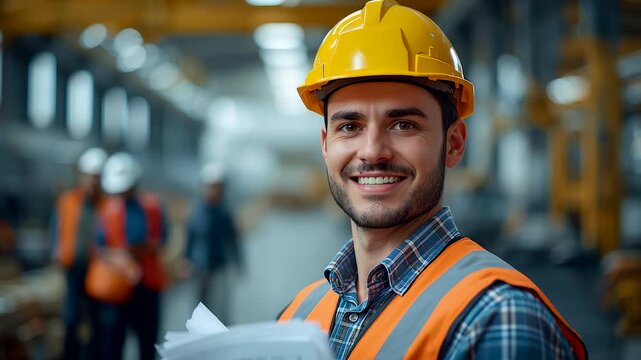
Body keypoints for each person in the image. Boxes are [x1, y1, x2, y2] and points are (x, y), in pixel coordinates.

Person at [277, 1, 587, 359]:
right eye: (350, 126)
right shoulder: (296, 317)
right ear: (326, 146)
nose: (372, 151)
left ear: (453, 144)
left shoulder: (495, 317)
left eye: (403, 125)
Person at [94, 152, 168, 360]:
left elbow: (162, 238)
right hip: (117, 290)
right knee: (112, 345)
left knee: (147, 343)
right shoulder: (108, 210)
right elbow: (100, 246)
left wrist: (142, 249)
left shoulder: (152, 207)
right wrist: (120, 256)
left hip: (146, 287)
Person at [51, 147, 107, 360]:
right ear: (81, 176)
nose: (93, 182)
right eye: (90, 177)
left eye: (97, 177)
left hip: (97, 270)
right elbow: (57, 227)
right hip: (73, 268)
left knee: (96, 319)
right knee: (71, 318)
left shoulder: (107, 205)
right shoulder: (68, 201)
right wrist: (56, 248)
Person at [184, 163, 241, 313]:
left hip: (219, 266)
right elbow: (190, 236)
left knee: (220, 307)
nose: (214, 191)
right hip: (199, 266)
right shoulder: (196, 210)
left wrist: (238, 262)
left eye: (218, 187)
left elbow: (232, 239)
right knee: (199, 307)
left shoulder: (224, 212)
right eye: (211, 186)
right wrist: (186, 260)